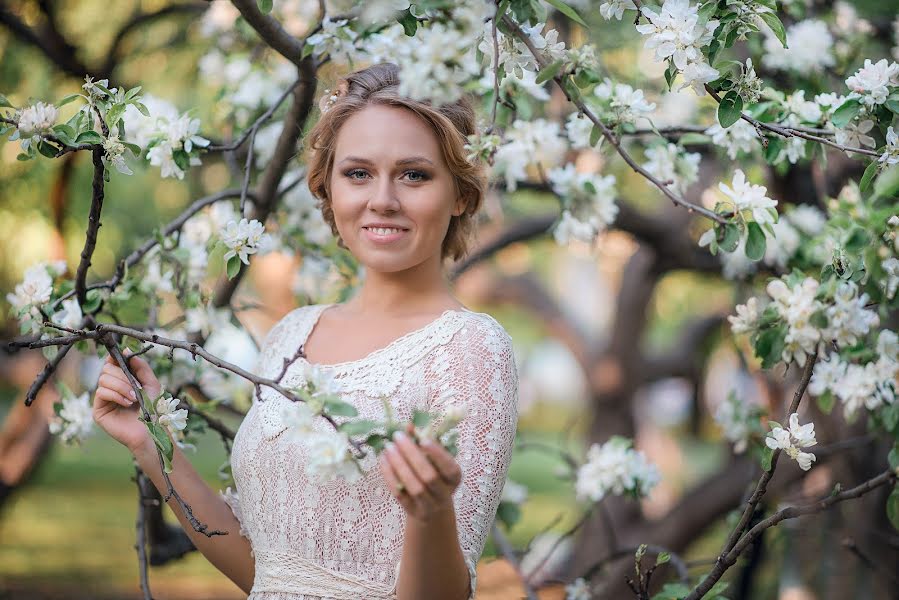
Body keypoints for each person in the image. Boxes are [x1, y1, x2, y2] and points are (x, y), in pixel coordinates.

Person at [92, 62, 519, 599]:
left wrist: (430, 515)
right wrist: (150, 443)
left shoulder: (470, 349)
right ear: (329, 189)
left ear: (459, 194)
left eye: (414, 174)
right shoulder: (291, 335)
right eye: (358, 173)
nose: (382, 199)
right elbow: (265, 571)